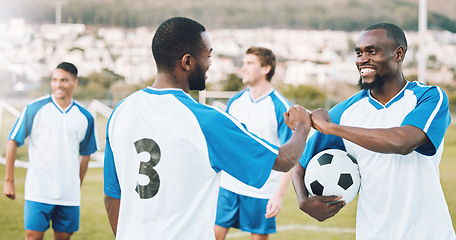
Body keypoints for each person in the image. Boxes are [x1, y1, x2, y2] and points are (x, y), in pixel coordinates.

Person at [103, 17, 312, 240]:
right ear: (187, 62)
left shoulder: (120, 112)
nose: (210, 63)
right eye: (208, 55)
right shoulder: (207, 121)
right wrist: (301, 126)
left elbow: (112, 197)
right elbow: (283, 159)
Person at [292, 23, 456, 239]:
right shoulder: (346, 111)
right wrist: (303, 200)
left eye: (372, 51)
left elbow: (403, 142)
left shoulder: (428, 97)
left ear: (398, 54)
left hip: (429, 233)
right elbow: (299, 163)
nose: (362, 59)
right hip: (373, 233)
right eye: (359, 53)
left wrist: (332, 128)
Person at [3, 62, 98, 240]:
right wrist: (9, 181)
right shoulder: (34, 109)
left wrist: (76, 184)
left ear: (75, 82)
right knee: (33, 237)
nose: (58, 85)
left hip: (68, 195)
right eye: (54, 80)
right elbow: (12, 141)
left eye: (63, 80)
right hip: (38, 191)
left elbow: (86, 154)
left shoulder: (85, 116)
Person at [215, 47, 293, 240]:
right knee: (212, 235)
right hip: (228, 185)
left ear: (266, 68)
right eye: (243, 64)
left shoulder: (281, 107)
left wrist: (278, 195)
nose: (243, 68)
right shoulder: (235, 101)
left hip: (262, 189)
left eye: (249, 64)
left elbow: (291, 155)